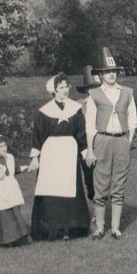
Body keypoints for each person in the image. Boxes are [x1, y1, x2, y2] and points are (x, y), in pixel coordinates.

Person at [28, 73, 91, 241]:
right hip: (50, 155)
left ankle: (70, 229)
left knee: (70, 188)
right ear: (54, 90)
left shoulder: (75, 110)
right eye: (61, 87)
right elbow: (38, 136)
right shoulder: (44, 111)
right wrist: (35, 157)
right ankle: (51, 229)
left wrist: (85, 151)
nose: (65, 90)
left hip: (69, 153)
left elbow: (81, 132)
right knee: (51, 189)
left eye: (66, 86)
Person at [85, 47, 137, 239]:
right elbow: (90, 125)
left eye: (114, 71)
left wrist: (128, 141)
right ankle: (100, 227)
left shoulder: (127, 93)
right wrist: (90, 150)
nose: (111, 75)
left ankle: (115, 227)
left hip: (121, 141)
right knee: (100, 184)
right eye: (107, 72)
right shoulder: (94, 95)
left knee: (119, 184)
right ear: (100, 75)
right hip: (102, 140)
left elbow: (133, 119)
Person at [0, 135, 30, 247]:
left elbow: (15, 169)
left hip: (11, 188)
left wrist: (28, 167)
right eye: (1, 146)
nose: (4, 148)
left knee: (14, 210)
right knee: (2, 213)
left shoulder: (10, 157)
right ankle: (3, 239)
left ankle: (17, 237)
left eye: (5, 145)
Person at [75, 65, 101, 201]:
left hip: (102, 145)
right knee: (90, 182)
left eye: (95, 87)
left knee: (104, 181)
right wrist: (84, 149)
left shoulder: (104, 104)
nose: (92, 91)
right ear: (85, 90)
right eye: (89, 88)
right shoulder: (79, 105)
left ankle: (103, 211)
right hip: (85, 148)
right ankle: (96, 209)